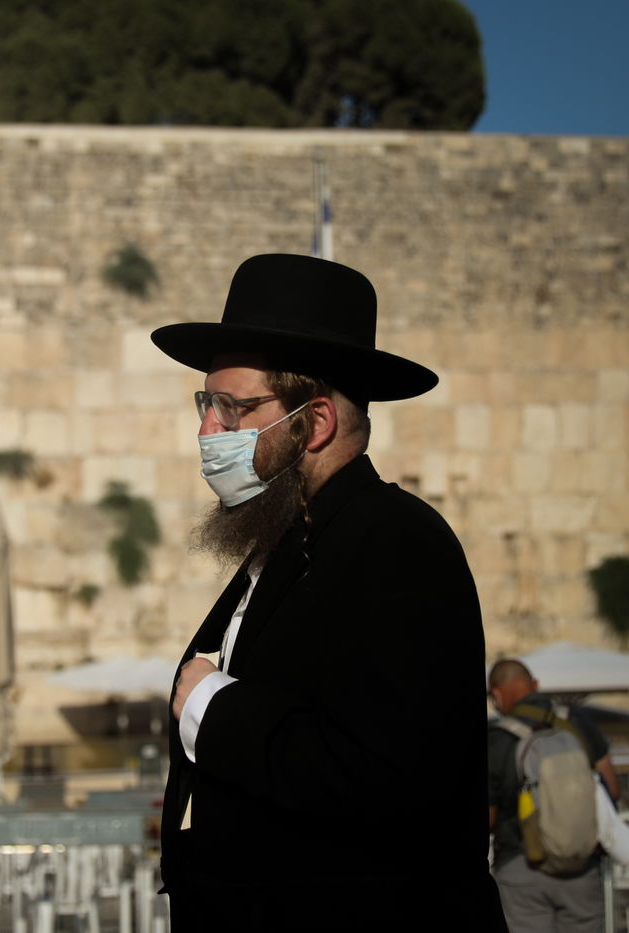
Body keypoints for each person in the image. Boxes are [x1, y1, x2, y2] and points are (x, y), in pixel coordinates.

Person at [152, 254, 505, 931]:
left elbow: (390, 777)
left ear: (313, 424)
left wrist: (211, 708)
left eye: (234, 407)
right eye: (206, 403)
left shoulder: (399, 543)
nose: (207, 431)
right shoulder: (286, 541)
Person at [487, 658, 618, 932]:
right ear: (535, 685)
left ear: (496, 694)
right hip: (581, 866)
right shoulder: (577, 722)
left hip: (522, 870)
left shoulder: (496, 739)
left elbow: (489, 817)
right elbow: (612, 788)